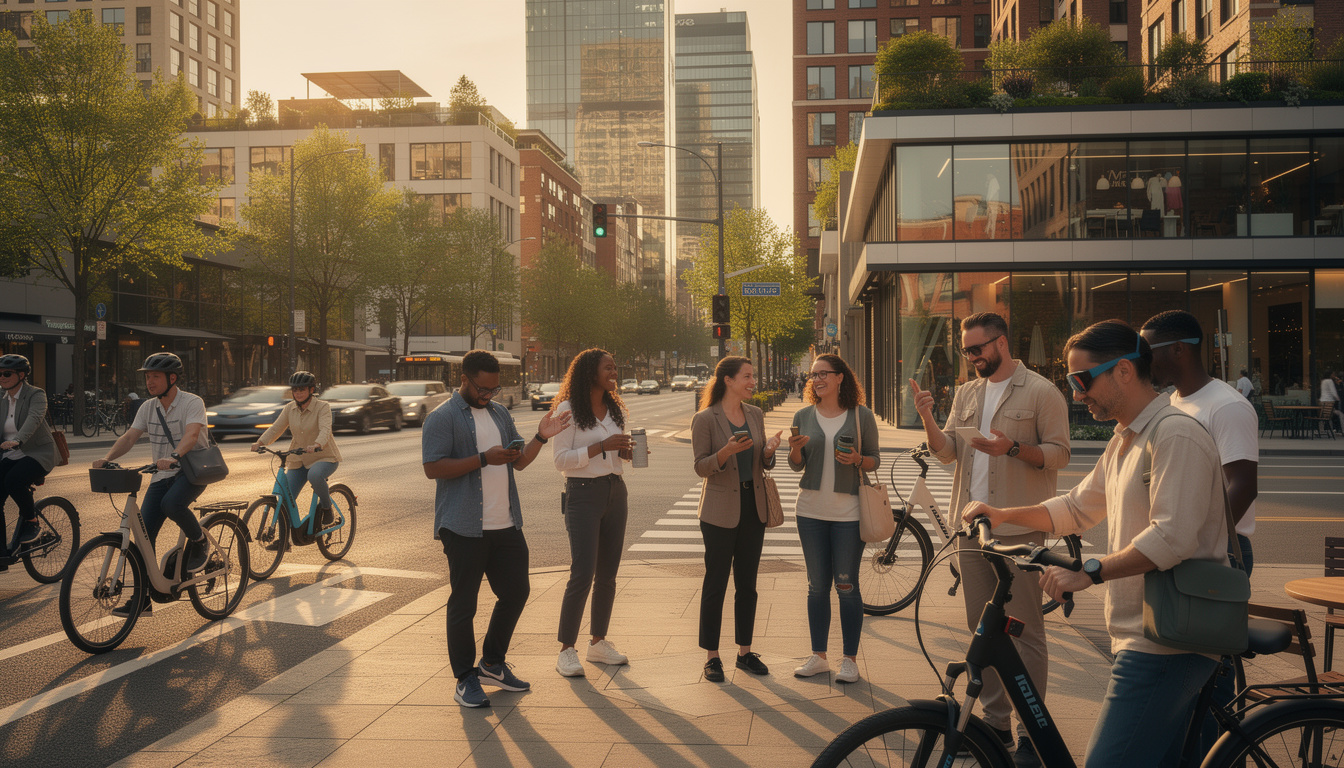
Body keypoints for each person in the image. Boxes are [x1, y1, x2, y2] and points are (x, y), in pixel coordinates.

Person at [963, 320, 1231, 768]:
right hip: (1142, 635)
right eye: (1072, 382)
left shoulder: (1174, 434)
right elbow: (1075, 507)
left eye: (1081, 380)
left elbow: (1172, 538)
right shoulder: (1127, 439)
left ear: (1123, 371)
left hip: (1169, 642)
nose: (1076, 394)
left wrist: (1089, 571)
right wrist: (1003, 514)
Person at [907, 312, 1069, 768]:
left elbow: (1060, 454)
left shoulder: (1041, 391)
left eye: (977, 348)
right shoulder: (967, 392)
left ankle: (1031, 733)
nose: (971, 357)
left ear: (1000, 342)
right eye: (966, 350)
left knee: (1025, 632)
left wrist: (1012, 448)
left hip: (1019, 532)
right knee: (983, 629)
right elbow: (947, 453)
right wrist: (927, 416)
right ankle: (997, 724)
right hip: (971, 529)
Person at [422, 350, 571, 709]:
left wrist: (540, 437)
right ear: (464, 379)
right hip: (463, 526)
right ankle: (465, 679)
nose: (488, 394)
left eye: (494, 388)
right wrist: (483, 459)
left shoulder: (500, 413)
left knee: (517, 592)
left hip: (505, 523)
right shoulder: (442, 417)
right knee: (464, 603)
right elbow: (433, 468)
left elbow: (518, 463)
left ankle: (491, 663)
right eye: (482, 388)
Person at [551, 348, 645, 678]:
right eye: (608, 368)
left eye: (615, 367)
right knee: (582, 572)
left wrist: (626, 453)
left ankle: (598, 643)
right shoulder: (567, 410)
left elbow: (614, 456)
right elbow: (560, 460)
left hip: (615, 491)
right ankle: (566, 650)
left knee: (608, 574)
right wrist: (601, 447)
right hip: (582, 494)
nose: (614, 372)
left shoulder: (614, 409)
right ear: (590, 372)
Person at [1141, 312, 1258, 574]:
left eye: (1148, 353)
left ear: (1178, 349)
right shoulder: (1174, 401)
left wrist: (1202, 539)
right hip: (1183, 541)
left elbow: (1244, 486)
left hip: (1217, 547)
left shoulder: (1227, 406)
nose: (1143, 361)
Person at [95, 353, 211, 616]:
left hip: (192, 471)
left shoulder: (192, 402)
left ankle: (199, 539)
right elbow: (130, 437)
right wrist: (107, 458)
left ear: (172, 378)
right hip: (161, 475)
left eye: (155, 376)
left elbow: (192, 435)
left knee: (172, 504)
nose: (149, 381)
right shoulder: (148, 407)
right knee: (143, 537)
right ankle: (142, 598)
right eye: (147, 377)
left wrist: (174, 456)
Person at [787, 353, 879, 685]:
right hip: (809, 512)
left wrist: (857, 460)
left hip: (848, 515)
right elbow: (796, 465)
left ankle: (850, 660)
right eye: (813, 375)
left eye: (823, 374)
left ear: (841, 377)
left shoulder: (861, 415)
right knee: (816, 587)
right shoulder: (803, 415)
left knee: (846, 584)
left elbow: (874, 459)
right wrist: (794, 449)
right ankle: (819, 657)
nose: (817, 380)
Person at [690, 356, 781, 683]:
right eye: (747, 376)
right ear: (728, 380)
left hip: (753, 506)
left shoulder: (755, 414)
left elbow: (762, 463)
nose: (753, 382)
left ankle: (745, 652)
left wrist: (768, 452)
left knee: (747, 584)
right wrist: (725, 452)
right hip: (718, 510)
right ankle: (712, 657)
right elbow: (700, 466)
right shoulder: (705, 418)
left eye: (753, 376)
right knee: (715, 583)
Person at [251, 371, 343, 535]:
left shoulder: (322, 407)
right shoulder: (290, 408)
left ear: (311, 390)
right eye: (295, 390)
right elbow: (276, 428)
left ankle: (326, 507)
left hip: (323, 456)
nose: (298, 393)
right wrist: (260, 442)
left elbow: (325, 429)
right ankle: (284, 541)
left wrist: (317, 444)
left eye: (302, 389)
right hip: (298, 459)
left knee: (314, 475)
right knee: (285, 498)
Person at [0, 355, 60, 565]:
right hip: (9, 454)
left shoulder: (36, 394)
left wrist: (18, 440)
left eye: (6, 373)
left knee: (13, 481)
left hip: (37, 453)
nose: (2, 377)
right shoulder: (1, 396)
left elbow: (34, 418)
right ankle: (2, 554)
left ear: (22, 375)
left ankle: (32, 521)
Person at [1322, 370, 1342, 435]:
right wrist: (1337, 398)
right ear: (1330, 375)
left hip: (1325, 401)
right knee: (1336, 414)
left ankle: (1328, 428)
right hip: (1331, 401)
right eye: (1333, 374)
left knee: (1328, 415)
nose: (1334, 376)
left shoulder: (1323, 381)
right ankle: (1337, 428)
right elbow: (1333, 392)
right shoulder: (1330, 381)